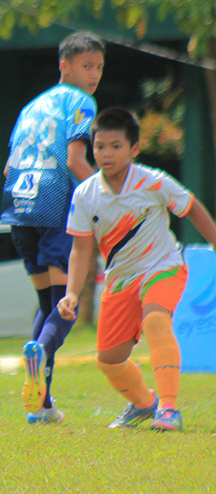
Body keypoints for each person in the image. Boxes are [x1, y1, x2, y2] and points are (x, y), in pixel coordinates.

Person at [58, 107, 216, 432]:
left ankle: (169, 408)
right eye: (100, 146)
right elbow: (81, 248)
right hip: (120, 280)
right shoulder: (85, 195)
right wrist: (71, 292)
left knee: (156, 320)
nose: (106, 154)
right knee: (108, 359)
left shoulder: (153, 182)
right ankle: (145, 403)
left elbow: (191, 208)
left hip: (164, 266)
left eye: (115, 146)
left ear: (134, 149)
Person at [1, 31, 104, 424]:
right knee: (66, 304)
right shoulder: (81, 102)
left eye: (99, 67)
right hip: (55, 204)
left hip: (19, 207)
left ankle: (41, 406)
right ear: (65, 66)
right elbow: (76, 160)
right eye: (87, 66)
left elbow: (9, 166)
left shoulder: (31, 106)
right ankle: (42, 352)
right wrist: (108, 197)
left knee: (48, 306)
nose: (94, 75)